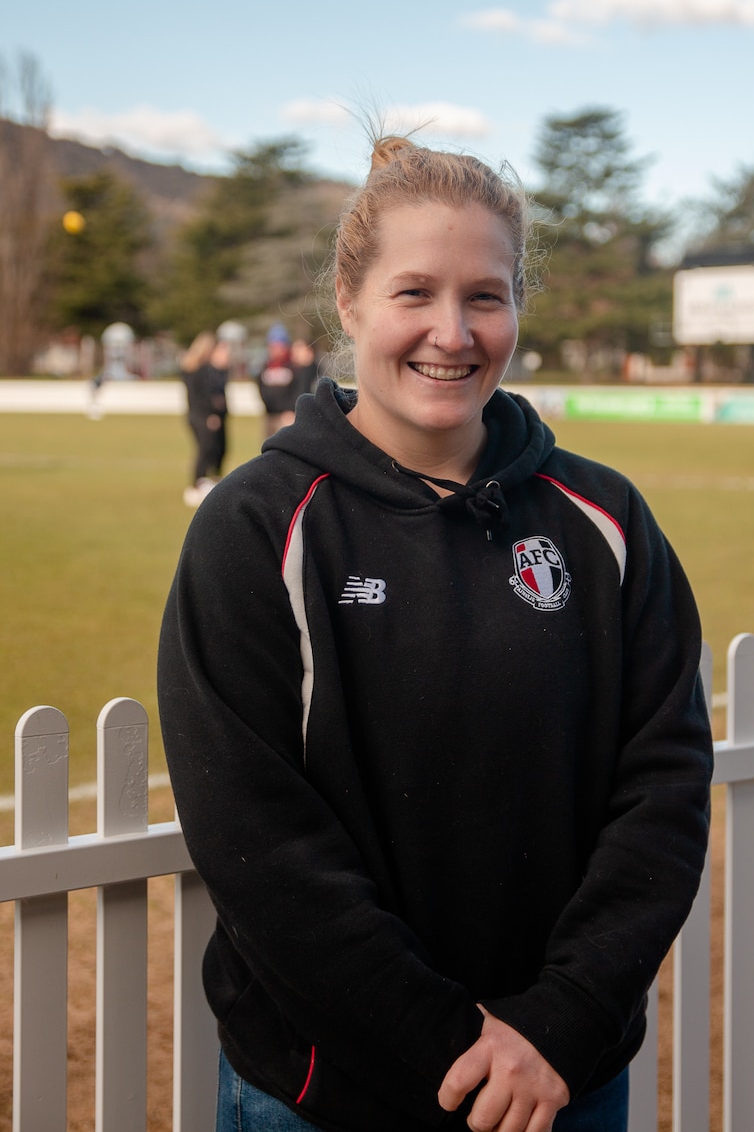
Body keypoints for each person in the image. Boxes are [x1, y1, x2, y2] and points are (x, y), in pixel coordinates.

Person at [158, 136, 713, 1132]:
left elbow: (662, 784)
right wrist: (454, 1046)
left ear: (516, 307)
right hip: (333, 1090)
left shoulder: (606, 519)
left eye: (485, 297)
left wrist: (558, 1024)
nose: (450, 333)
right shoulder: (255, 526)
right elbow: (255, 841)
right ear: (350, 299)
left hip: (561, 1079)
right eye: (414, 293)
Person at [180, 331, 229, 507]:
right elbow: (201, 396)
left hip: (201, 415)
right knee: (205, 449)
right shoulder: (199, 371)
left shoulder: (207, 370)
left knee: (216, 449)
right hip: (201, 416)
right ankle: (196, 485)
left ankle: (209, 482)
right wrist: (210, 414)